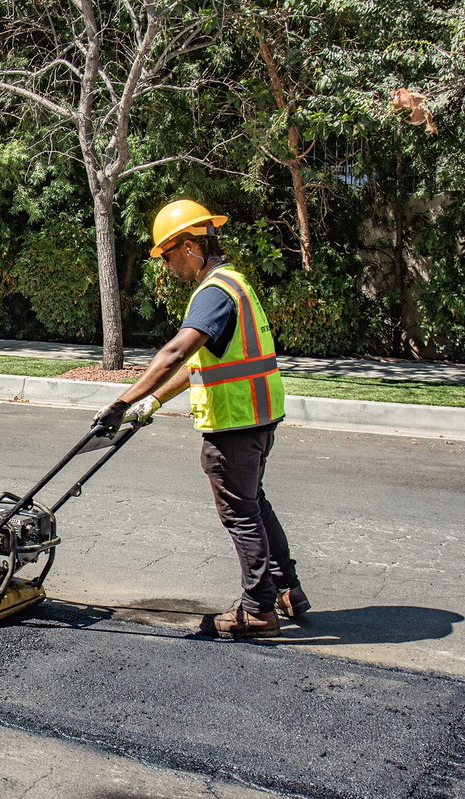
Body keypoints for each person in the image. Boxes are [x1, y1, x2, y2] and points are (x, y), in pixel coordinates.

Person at [92, 199, 309, 639]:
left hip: (234, 425)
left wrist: (121, 401)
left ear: (190, 246)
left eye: (168, 255)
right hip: (258, 418)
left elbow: (175, 351)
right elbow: (200, 365)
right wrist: (151, 403)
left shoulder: (212, 293)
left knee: (240, 513)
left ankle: (258, 611)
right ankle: (288, 591)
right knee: (254, 506)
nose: (167, 266)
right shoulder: (235, 283)